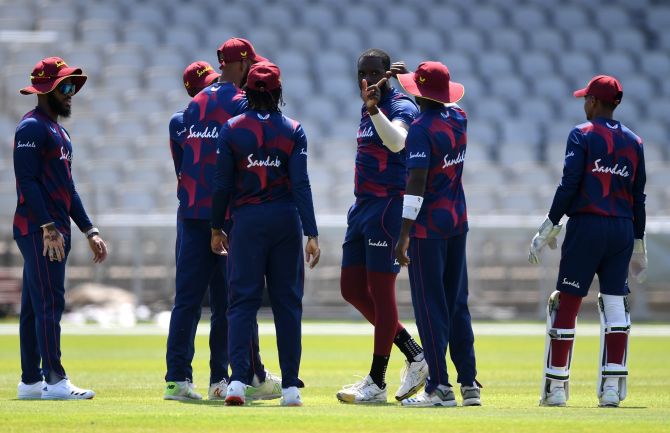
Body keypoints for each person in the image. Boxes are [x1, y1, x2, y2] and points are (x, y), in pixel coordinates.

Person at [164, 39, 279, 402]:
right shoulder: (242, 103)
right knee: (230, 303)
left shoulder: (190, 109)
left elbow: (182, 168)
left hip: (192, 212)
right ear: (242, 66)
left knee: (186, 300)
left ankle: (177, 381)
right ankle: (223, 379)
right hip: (228, 216)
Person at [529, 75, 647, 408]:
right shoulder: (635, 142)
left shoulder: (581, 134)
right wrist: (639, 242)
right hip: (622, 230)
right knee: (614, 305)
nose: (584, 104)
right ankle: (611, 389)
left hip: (587, 228)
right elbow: (638, 197)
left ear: (594, 102)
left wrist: (550, 225)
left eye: (586, 99)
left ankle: (556, 389)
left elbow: (569, 184)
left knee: (567, 303)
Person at [211, 61, 320, 407]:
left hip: (247, 223)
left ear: (247, 92)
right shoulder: (294, 130)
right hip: (286, 221)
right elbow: (301, 184)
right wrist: (311, 232)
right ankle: (290, 388)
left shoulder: (230, 129)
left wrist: (216, 227)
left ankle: (238, 383)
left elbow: (222, 184)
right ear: (278, 92)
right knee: (288, 303)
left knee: (241, 303)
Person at [336, 49, 428, 404]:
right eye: (363, 72)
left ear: (387, 74)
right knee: (351, 289)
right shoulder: (366, 106)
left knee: (380, 289)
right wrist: (370, 107)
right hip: (362, 207)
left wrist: (375, 108)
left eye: (375, 72)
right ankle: (415, 354)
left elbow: (399, 142)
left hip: (388, 207)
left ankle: (377, 381)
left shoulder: (401, 106)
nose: (368, 78)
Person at [14, 56, 108, 400]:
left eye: (73, 87)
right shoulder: (31, 128)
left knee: (33, 306)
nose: (71, 93)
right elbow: (26, 181)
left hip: (52, 229)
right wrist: (47, 227)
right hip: (39, 231)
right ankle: (55, 380)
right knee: (50, 303)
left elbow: (69, 189)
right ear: (45, 90)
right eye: (65, 87)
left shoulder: (59, 131)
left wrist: (89, 230)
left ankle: (30, 381)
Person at [393, 61, 481, 407]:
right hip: (457, 220)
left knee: (429, 307)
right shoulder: (459, 118)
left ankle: (439, 388)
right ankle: (469, 384)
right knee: (457, 304)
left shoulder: (420, 129)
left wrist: (403, 234)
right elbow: (443, 104)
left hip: (428, 228)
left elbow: (416, 183)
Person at [164, 61, 231, 401]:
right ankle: (192, 379)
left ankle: (203, 378)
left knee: (205, 302)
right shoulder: (188, 119)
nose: (213, 89)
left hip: (192, 214)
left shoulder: (184, 120)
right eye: (208, 85)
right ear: (194, 91)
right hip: (210, 217)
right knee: (206, 302)